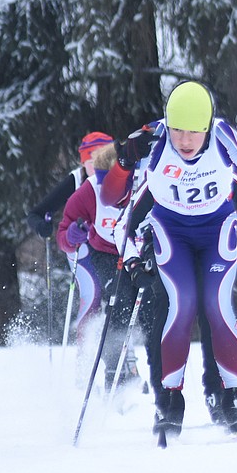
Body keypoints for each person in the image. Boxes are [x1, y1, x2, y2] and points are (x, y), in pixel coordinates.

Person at [101, 80, 237, 437]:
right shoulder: (154, 139)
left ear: (207, 126)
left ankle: (234, 397)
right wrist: (124, 162)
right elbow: (116, 213)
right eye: (178, 132)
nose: (184, 141)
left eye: (193, 133)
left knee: (217, 308)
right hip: (173, 234)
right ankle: (171, 401)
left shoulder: (223, 136)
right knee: (181, 306)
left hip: (216, 232)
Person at [54, 141, 143, 391]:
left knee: (151, 302)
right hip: (106, 253)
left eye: (112, 183)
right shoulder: (87, 192)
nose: (108, 191)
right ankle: (116, 370)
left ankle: (154, 372)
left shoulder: (141, 183)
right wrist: (72, 235)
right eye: (103, 182)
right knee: (119, 300)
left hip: (140, 251)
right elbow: (63, 235)